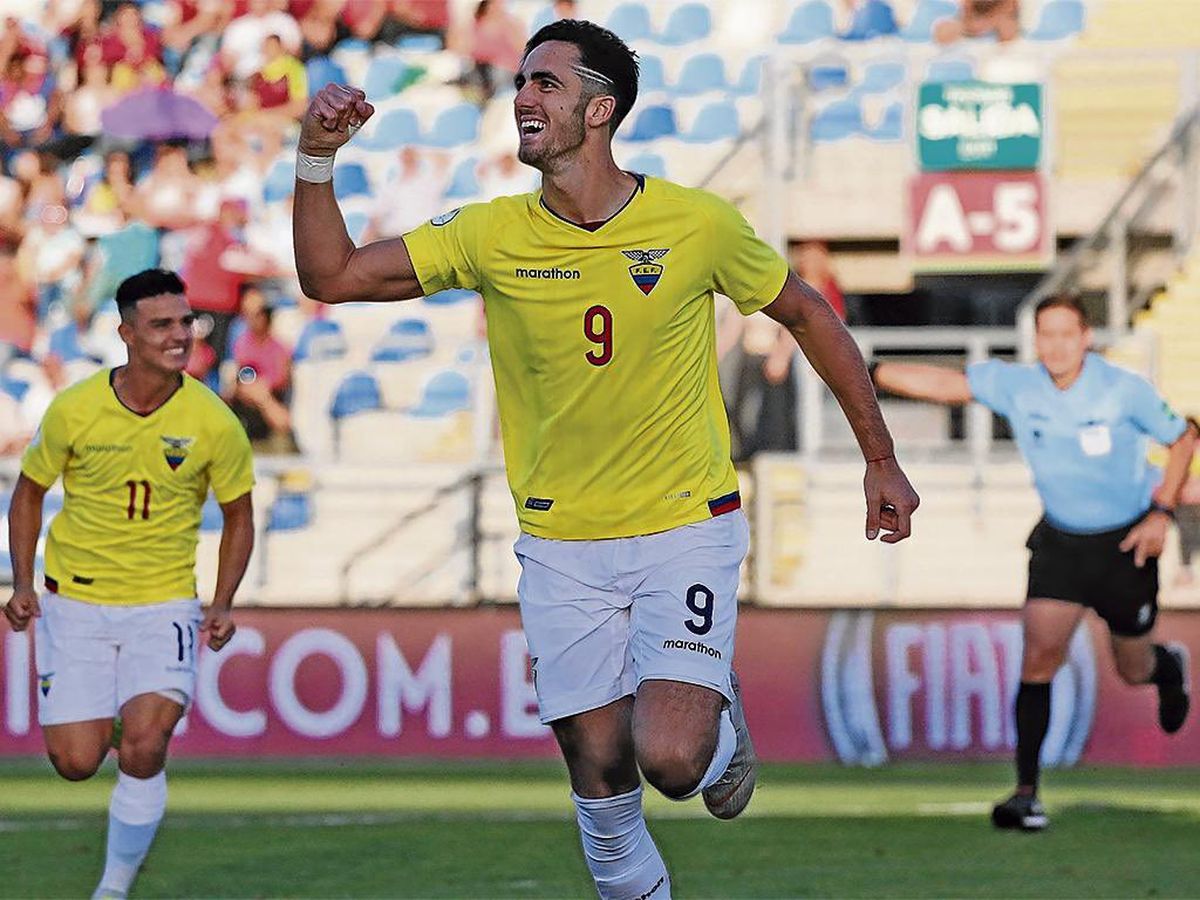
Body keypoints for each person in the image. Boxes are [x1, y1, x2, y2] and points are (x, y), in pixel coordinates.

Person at [292, 20, 918, 897]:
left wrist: (878, 457)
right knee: (600, 781)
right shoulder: (487, 234)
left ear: (601, 107)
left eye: (545, 84)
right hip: (560, 547)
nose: (522, 98)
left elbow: (809, 314)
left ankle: (716, 719)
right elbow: (332, 277)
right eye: (519, 83)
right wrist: (315, 159)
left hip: (683, 527)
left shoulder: (695, 222)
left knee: (668, 758)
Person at [871, 294, 1197, 832]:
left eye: (1066, 334)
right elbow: (950, 385)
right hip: (1061, 545)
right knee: (1039, 658)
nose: (1055, 345)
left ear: (1086, 337)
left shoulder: (1122, 390)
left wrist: (1161, 513)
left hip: (1126, 545)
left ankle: (1169, 669)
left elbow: (1183, 438)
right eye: (1045, 334)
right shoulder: (1019, 385)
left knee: (1132, 668)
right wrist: (868, 371)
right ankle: (1026, 793)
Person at [2, 267, 255, 900]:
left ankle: (112, 890)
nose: (179, 336)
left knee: (146, 747)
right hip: (76, 601)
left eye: (185, 322)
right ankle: (118, 717)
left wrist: (222, 600)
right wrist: (24, 581)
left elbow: (239, 515)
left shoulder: (214, 421)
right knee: (76, 763)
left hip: (163, 603)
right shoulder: (76, 408)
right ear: (126, 333)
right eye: (161, 325)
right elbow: (28, 493)